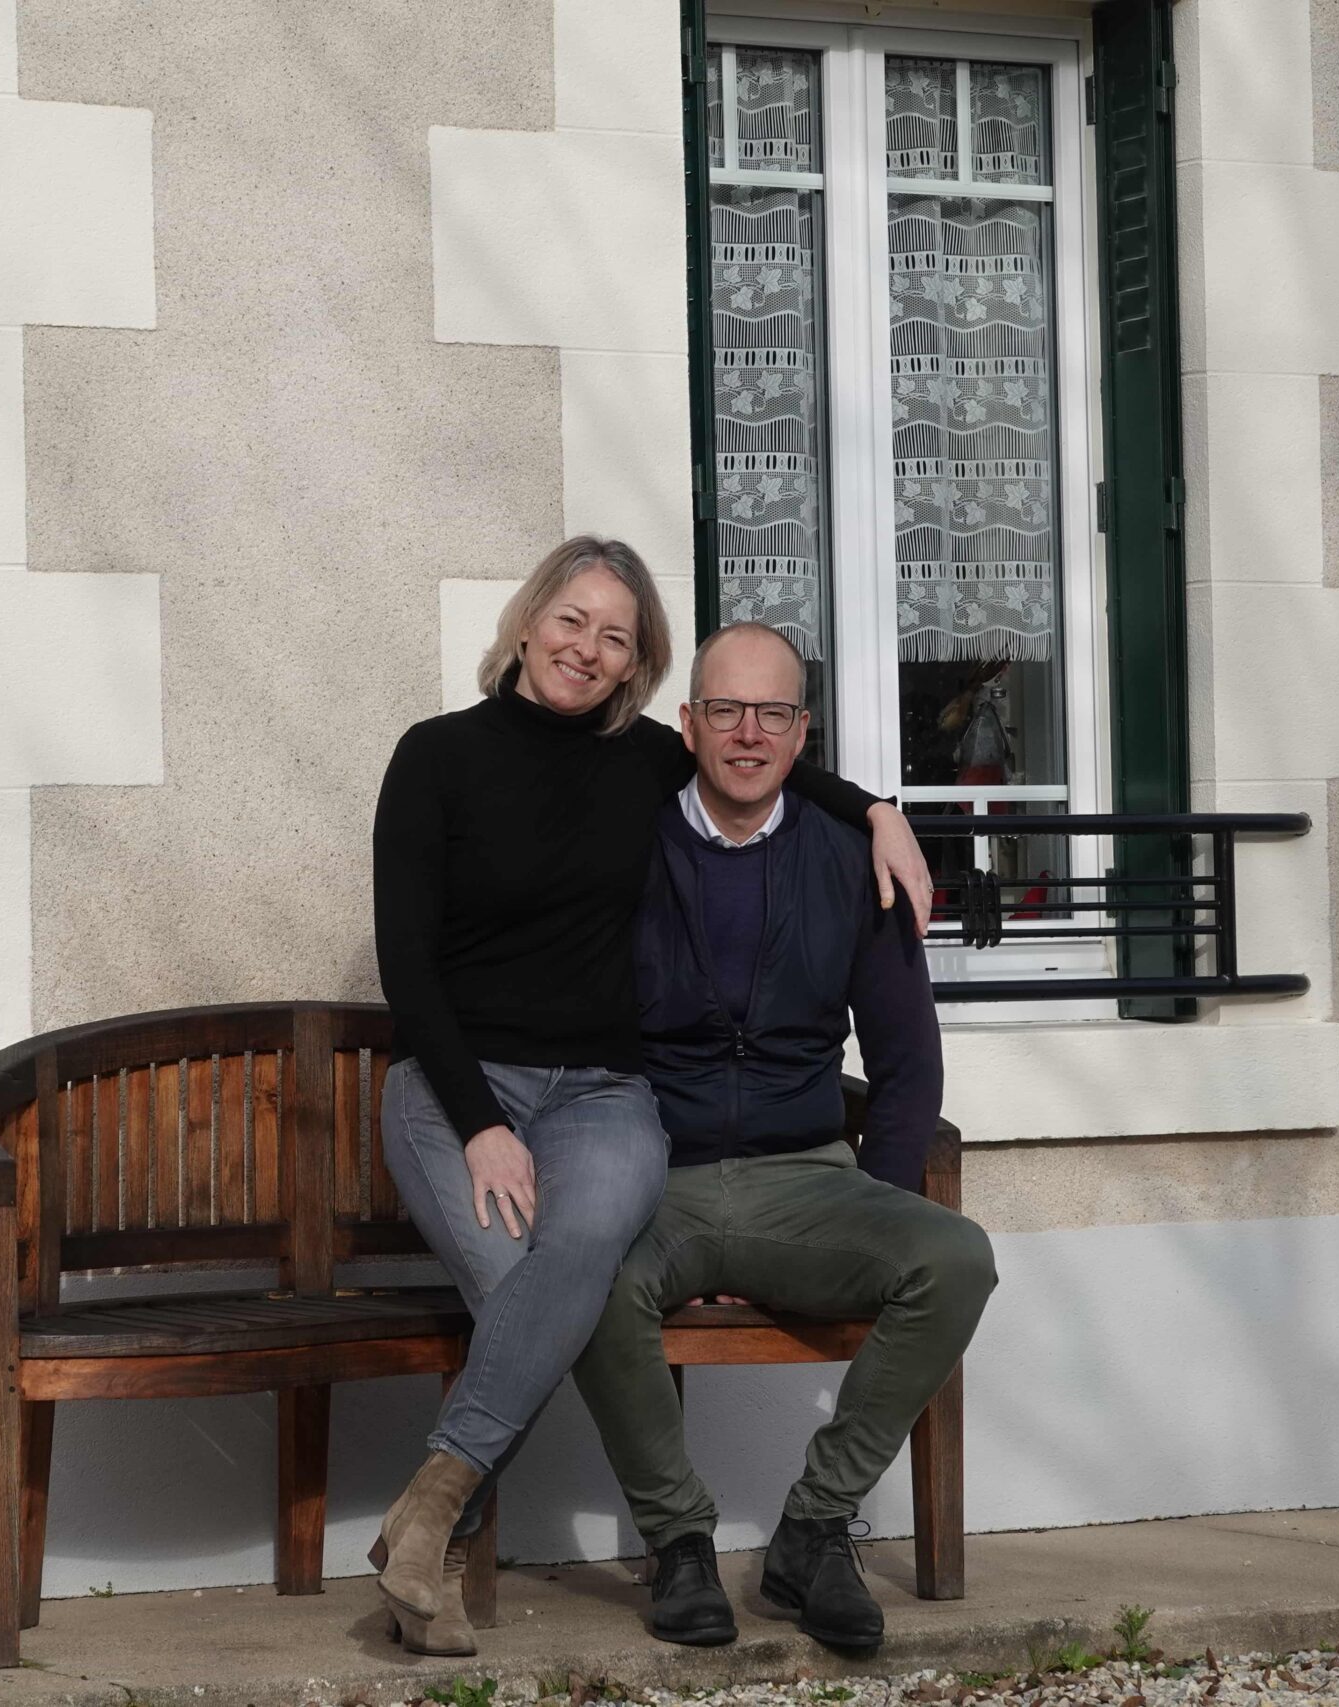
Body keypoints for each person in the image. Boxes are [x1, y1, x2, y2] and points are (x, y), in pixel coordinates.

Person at [367, 539, 935, 1657]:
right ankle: (438, 1522)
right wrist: (480, 1122)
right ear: (528, 623)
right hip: (451, 1090)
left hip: (601, 1096)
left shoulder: (642, 764)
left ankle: (427, 1516)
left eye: (616, 637)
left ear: (637, 671)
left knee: (569, 1274)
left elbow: (762, 757)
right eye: (572, 621)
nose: (587, 647)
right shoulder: (433, 757)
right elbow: (407, 966)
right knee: (545, 1291)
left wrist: (878, 809)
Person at [571, 621, 999, 1655]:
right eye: (725, 710)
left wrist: (884, 1201)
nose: (748, 734)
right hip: (651, 1176)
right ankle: (678, 1543)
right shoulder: (624, 844)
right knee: (577, 1270)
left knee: (953, 1257)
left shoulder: (853, 863)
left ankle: (812, 1530)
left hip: (802, 1181)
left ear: (802, 732)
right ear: (689, 724)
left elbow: (905, 1069)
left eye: (772, 713)